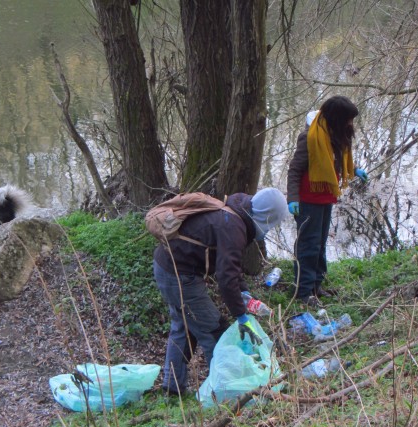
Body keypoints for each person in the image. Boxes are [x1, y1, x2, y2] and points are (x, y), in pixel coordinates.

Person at [153, 187, 288, 395]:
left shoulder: (235, 215)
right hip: (178, 276)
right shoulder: (234, 228)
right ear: (268, 217)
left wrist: (244, 294)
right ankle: (221, 391)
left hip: (169, 268)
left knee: (185, 326)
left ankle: (172, 389)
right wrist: (241, 316)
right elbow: (226, 278)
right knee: (213, 330)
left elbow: (229, 266)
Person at [286, 96, 368, 305]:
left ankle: (316, 285)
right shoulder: (310, 138)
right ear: (336, 118)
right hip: (308, 200)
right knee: (308, 245)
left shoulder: (335, 135)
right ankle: (303, 292)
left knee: (320, 244)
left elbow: (336, 160)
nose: (350, 124)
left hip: (325, 198)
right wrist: (292, 198)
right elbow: (295, 170)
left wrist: (354, 169)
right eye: (348, 119)